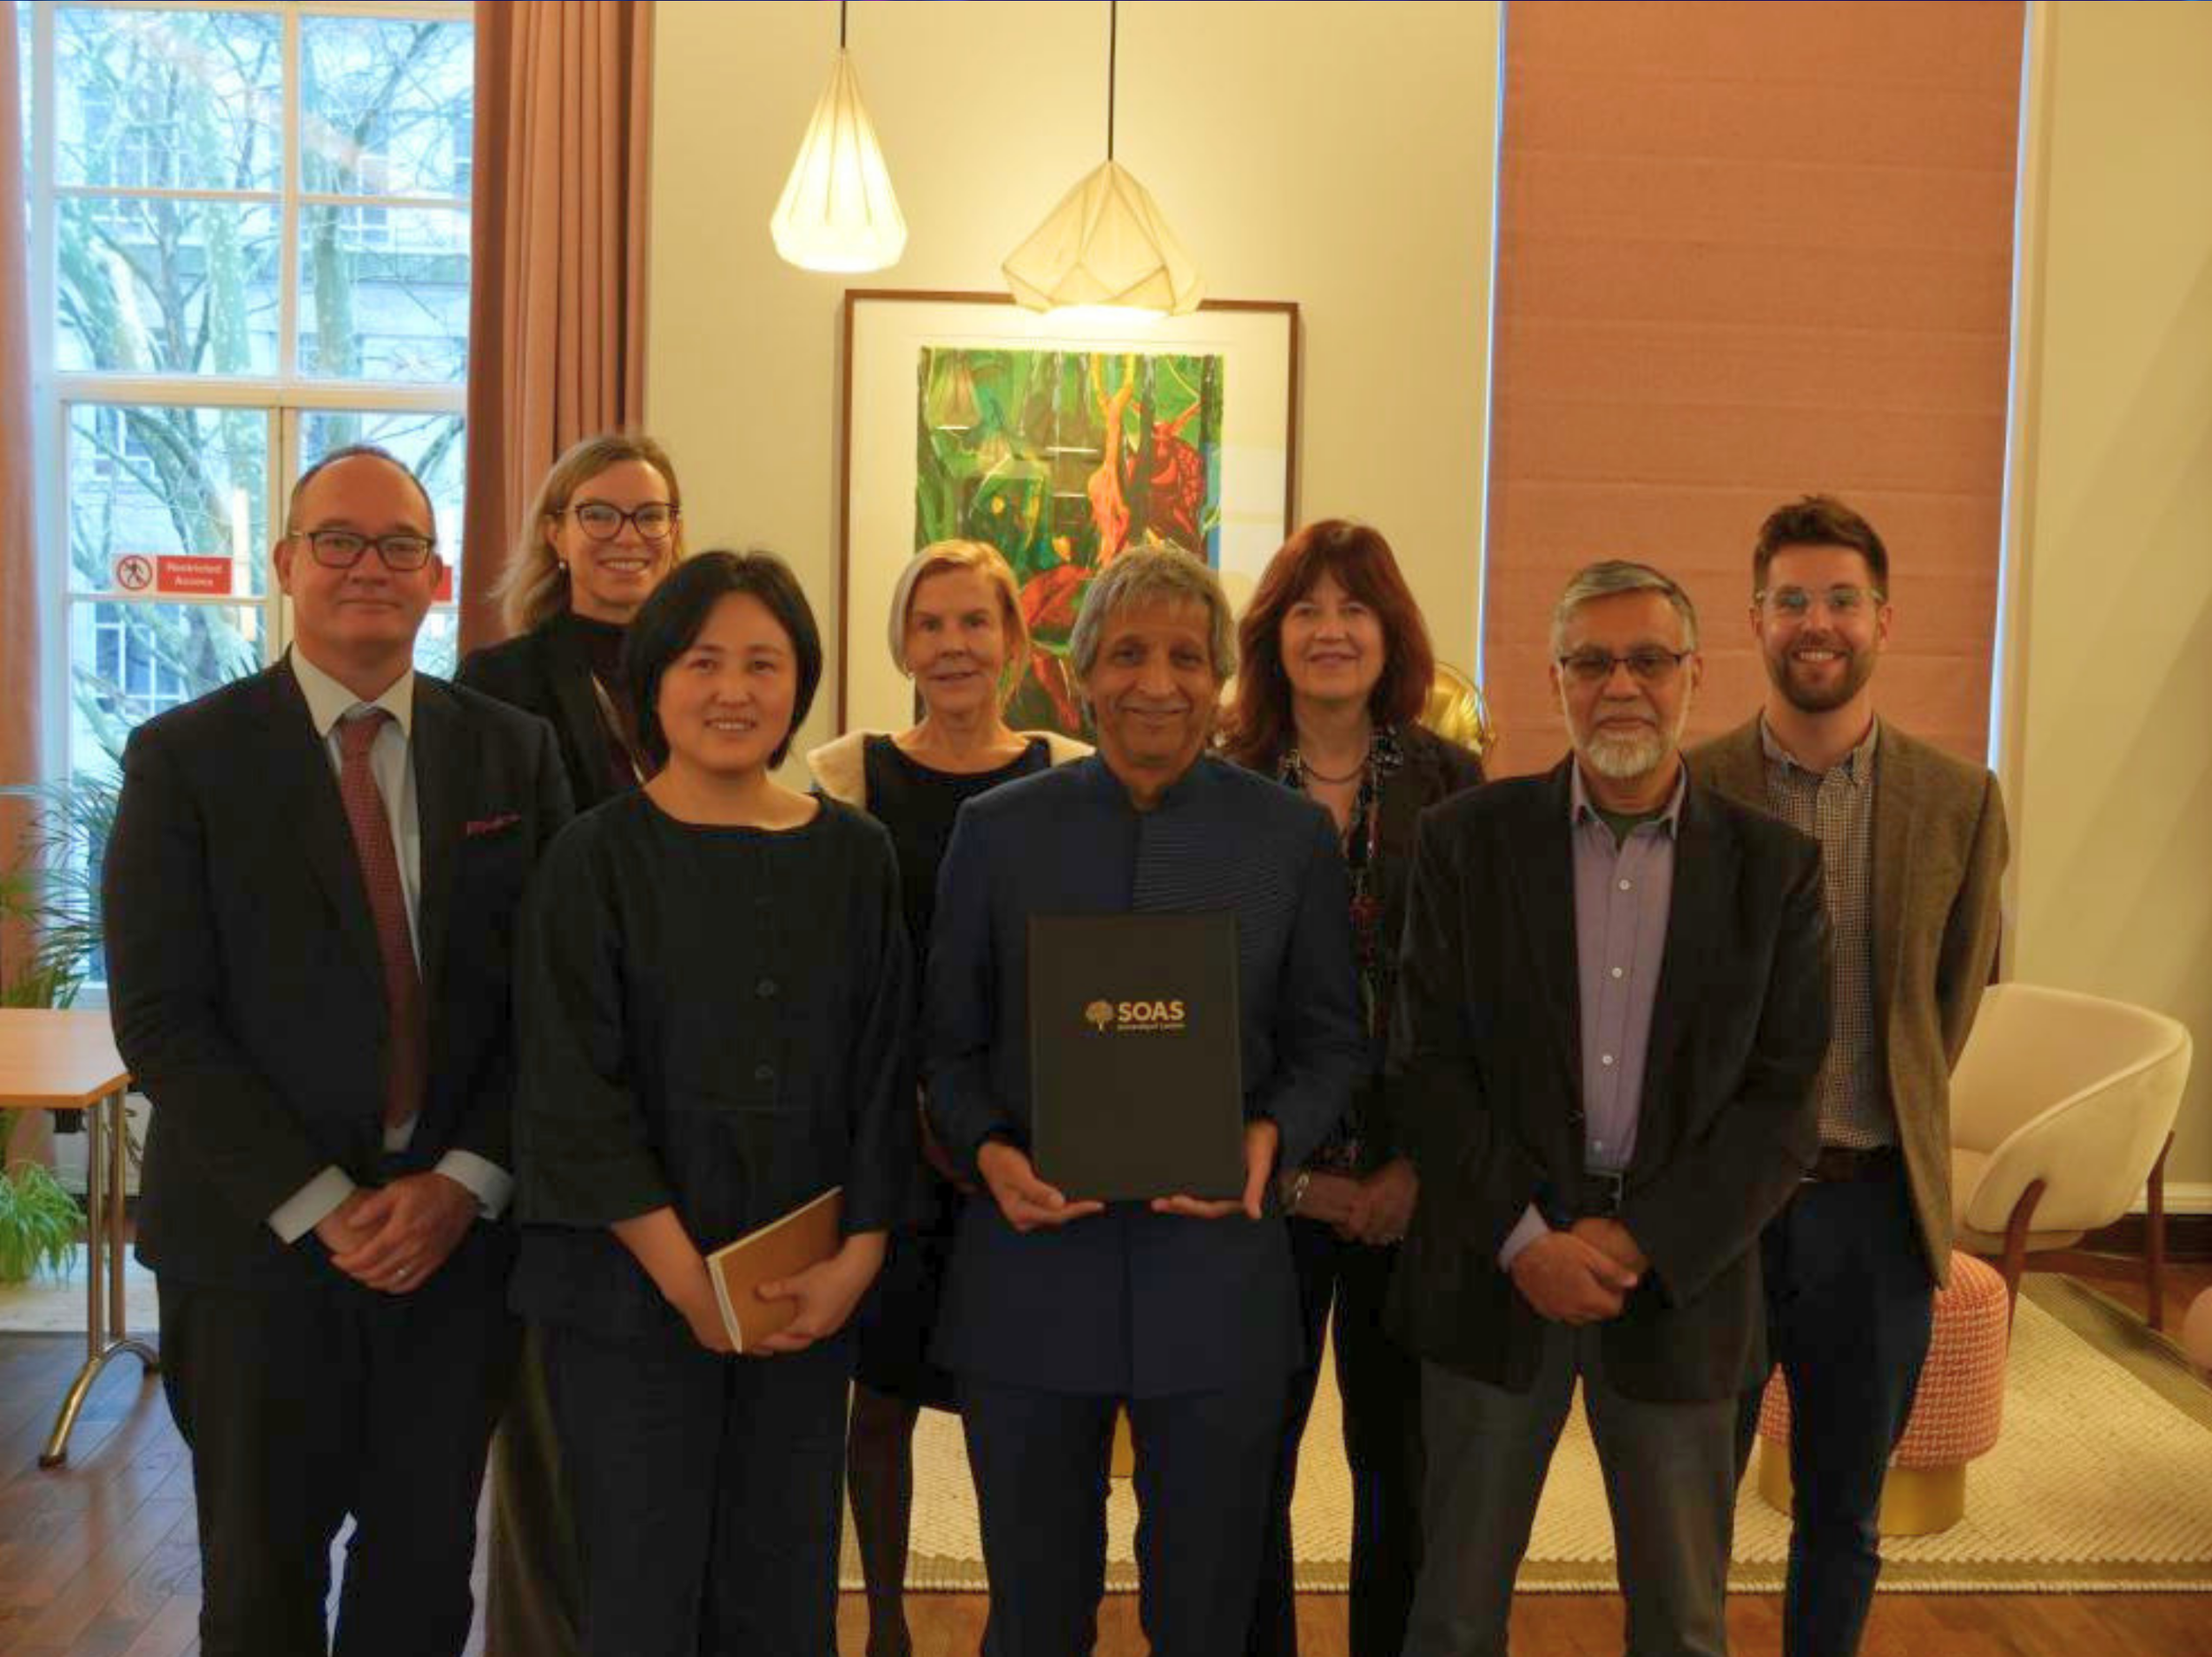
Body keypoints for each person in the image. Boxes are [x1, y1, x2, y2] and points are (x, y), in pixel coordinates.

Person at [102, 445, 573, 1656]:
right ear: (285, 565)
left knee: (422, 1583)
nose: (371, 566)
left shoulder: (512, 753)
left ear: (438, 575)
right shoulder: (184, 759)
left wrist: (463, 1184)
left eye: (400, 546)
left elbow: (560, 1003)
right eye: (339, 541)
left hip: (454, 1251)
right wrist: (326, 1206)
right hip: (255, 1254)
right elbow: (162, 1018)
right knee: (259, 1588)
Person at [925, 541, 1368, 1657]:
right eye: (1125, 654)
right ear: (1078, 679)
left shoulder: (1288, 838)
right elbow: (945, 1045)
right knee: (1032, 1604)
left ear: (1221, 679)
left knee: (1208, 1607)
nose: (1155, 682)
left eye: (1183, 655)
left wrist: (1274, 1136)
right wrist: (985, 1152)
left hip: (1215, 1278)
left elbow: (1329, 1043)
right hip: (1032, 1271)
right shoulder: (996, 832)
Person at [1391, 561, 1832, 1657]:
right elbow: (1425, 1064)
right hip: (1497, 1277)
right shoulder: (1464, 844)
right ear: (1556, 680)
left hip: (1680, 1285)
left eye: (1646, 658)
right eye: (1592, 661)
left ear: (1693, 674)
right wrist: (1527, 1238)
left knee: (1683, 1623)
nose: (1619, 684)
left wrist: (1640, 1238)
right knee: (1450, 1613)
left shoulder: (1773, 870)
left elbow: (1782, 1103)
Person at [511, 550, 914, 1656]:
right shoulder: (589, 859)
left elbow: (886, 1071)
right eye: (703, 662)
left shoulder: (857, 854)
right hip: (629, 1293)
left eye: (762, 663)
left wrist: (858, 1259)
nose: (732, 690)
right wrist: (692, 1286)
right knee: (638, 1591)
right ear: (655, 681)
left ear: (800, 685)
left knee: (782, 1590)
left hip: (805, 1290)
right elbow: (569, 1091)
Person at [1692, 496, 2008, 1657]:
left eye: (1839, 600)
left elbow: (1950, 1004)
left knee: (1842, 1508)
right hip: (1718, 1207)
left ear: (1883, 618)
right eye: (1790, 601)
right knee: (1691, 1491)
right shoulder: (1691, 784)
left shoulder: (1958, 800)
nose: (1814, 623)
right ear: (1754, 621)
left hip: (1874, 1207)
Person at [805, 539, 1087, 1657]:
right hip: (887, 1131)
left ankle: (1019, 1619)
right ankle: (882, 1624)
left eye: (976, 622)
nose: (954, 644)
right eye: (931, 624)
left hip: (1024, 1137)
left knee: (1017, 1405)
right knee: (878, 1399)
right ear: (902, 645)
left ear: (1015, 644)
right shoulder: (845, 772)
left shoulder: (1068, 769)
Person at [1219, 519, 1484, 1657]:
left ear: (1392, 633)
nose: (1330, 630)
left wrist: (1416, 1171)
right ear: (1273, 636)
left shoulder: (1455, 785)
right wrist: (1291, 1181)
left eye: (1354, 608)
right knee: (1246, 1462)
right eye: (1307, 609)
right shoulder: (1218, 782)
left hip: (1410, 1184)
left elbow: (1485, 1000)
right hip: (1254, 1179)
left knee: (1404, 1469)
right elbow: (1197, 1007)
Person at [456, 431, 685, 1657]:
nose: (626, 537)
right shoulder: (496, 680)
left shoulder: (706, 668)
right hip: (554, 1078)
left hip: (694, 1090)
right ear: (555, 533)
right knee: (547, 1418)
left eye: (649, 516)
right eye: (600, 515)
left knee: (661, 1411)